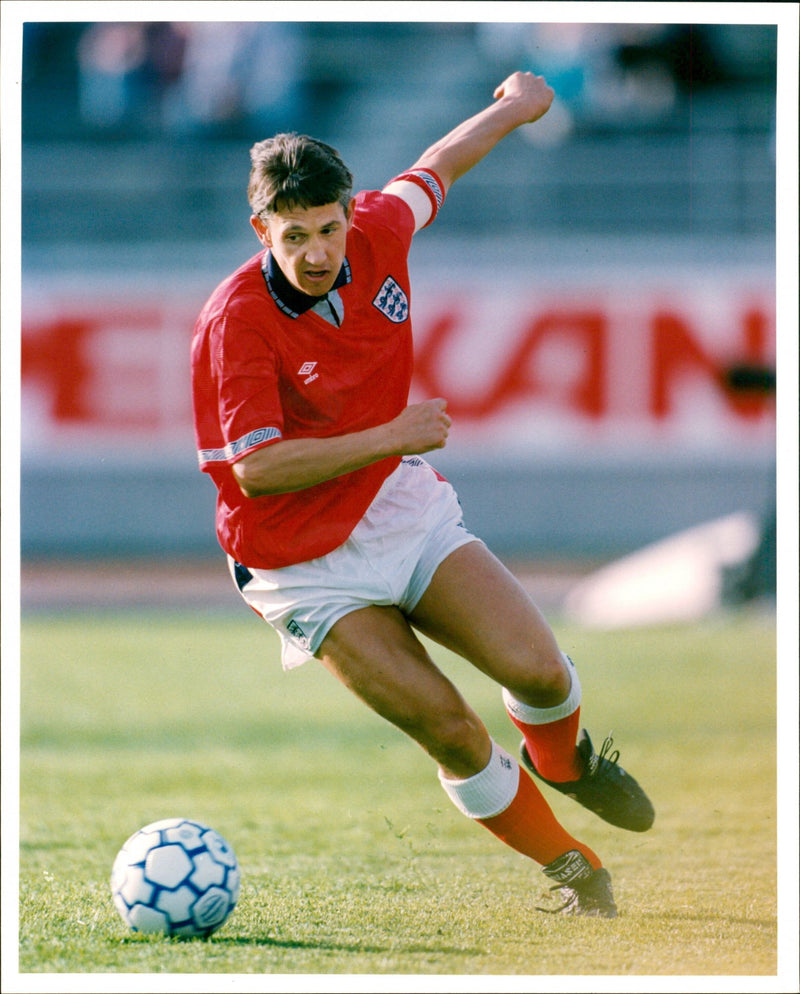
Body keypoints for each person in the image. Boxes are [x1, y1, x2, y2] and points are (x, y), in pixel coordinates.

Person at [191, 71, 654, 919]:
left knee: (541, 672)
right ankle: (574, 866)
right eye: (293, 236)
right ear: (261, 229)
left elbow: (440, 162)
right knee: (452, 730)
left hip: (393, 505)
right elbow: (256, 469)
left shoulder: (379, 227)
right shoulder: (235, 321)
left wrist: (515, 109)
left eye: (327, 229)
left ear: (347, 214)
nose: (317, 253)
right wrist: (393, 435)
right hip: (299, 562)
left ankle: (564, 763)